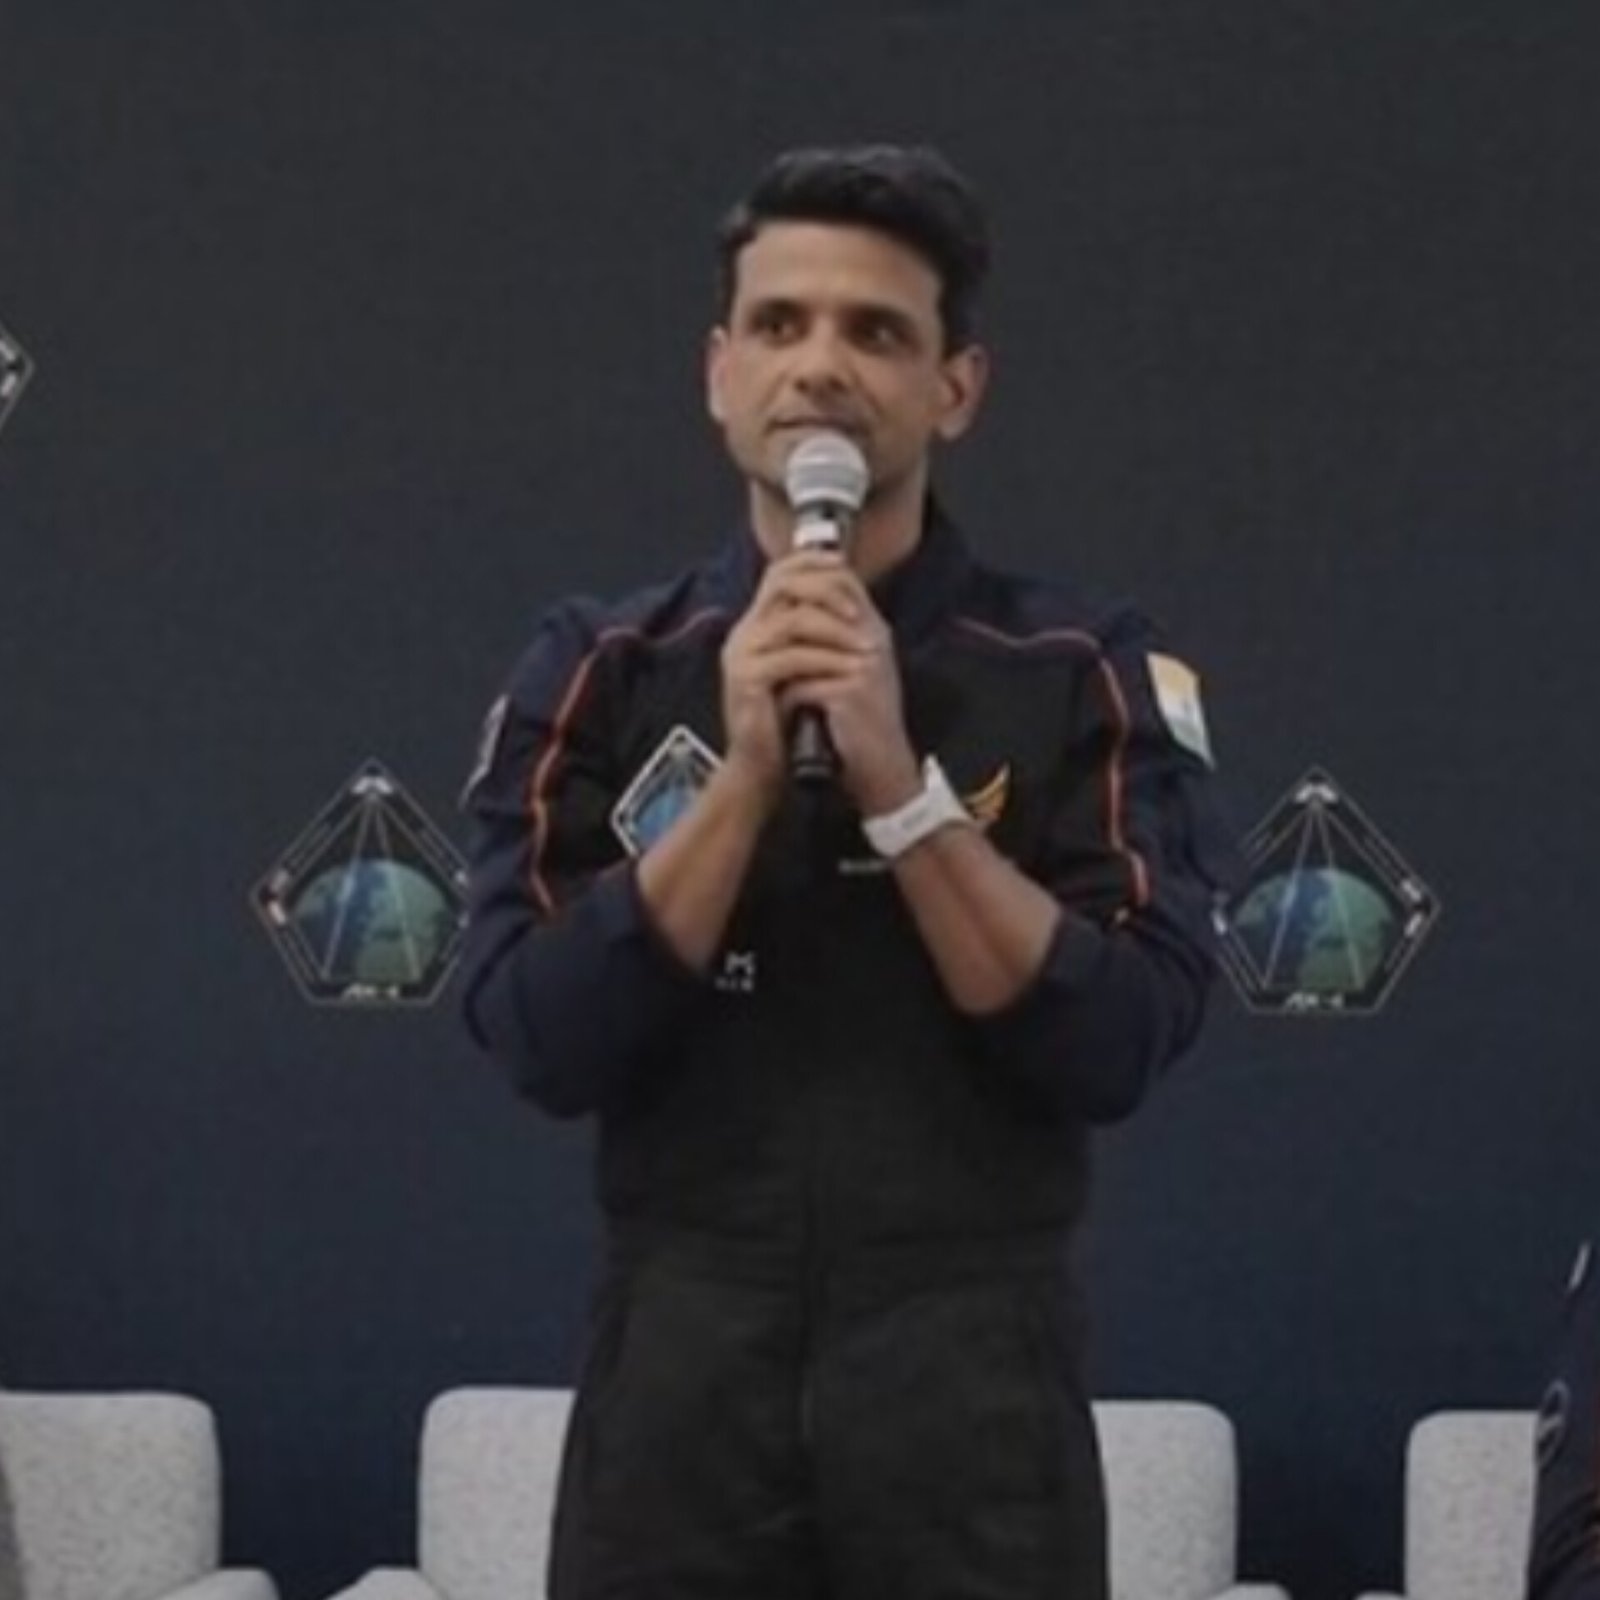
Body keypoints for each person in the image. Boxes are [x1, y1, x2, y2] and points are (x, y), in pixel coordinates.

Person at [459, 143, 1233, 1600]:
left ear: (956, 388)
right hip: (679, 1378)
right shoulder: (601, 665)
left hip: (971, 1381)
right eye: (779, 324)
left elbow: (1122, 1035)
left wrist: (897, 784)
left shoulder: (1079, 665)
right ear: (719, 373)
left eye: (876, 331)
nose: (819, 367)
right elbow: (537, 1031)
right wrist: (747, 780)